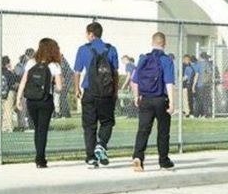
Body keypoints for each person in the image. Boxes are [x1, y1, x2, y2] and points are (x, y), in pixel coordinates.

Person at [73, 21, 120, 169]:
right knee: (107, 122)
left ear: (91, 34)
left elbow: (77, 72)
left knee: (89, 125)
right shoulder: (111, 49)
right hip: (106, 93)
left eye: (87, 33)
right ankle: (102, 144)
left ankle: (91, 157)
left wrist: (76, 89)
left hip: (90, 91)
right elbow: (115, 73)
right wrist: (115, 91)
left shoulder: (83, 49)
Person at [130, 32, 176, 171]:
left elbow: (134, 80)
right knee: (163, 131)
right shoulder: (167, 60)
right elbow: (169, 82)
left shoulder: (143, 58)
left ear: (152, 42)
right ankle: (163, 160)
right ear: (164, 43)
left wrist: (136, 96)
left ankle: (138, 156)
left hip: (145, 99)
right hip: (161, 100)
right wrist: (172, 103)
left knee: (143, 129)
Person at [16, 38, 63, 168]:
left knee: (37, 129)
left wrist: (18, 98)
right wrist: (53, 82)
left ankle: (39, 156)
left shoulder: (31, 62)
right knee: (43, 130)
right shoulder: (54, 65)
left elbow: (24, 81)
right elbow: (59, 87)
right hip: (45, 100)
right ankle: (40, 158)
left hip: (31, 100)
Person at [0, 55, 19, 132]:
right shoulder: (9, 72)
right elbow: (13, 83)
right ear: (7, 63)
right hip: (9, 93)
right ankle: (7, 126)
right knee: (8, 110)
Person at [14, 49, 35, 130]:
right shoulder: (20, 66)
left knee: (30, 107)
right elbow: (19, 75)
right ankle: (23, 124)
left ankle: (31, 124)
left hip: (30, 88)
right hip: (25, 88)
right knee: (24, 107)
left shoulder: (32, 63)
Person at [194, 52, 214, 117]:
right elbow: (211, 74)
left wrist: (193, 85)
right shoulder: (209, 64)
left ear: (200, 57)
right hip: (207, 84)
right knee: (206, 100)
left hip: (200, 84)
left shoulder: (199, 64)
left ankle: (197, 114)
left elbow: (196, 75)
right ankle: (206, 113)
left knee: (199, 99)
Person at [55, 54, 74, 118]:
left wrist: (63, 83)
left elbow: (65, 74)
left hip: (66, 81)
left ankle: (64, 113)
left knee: (63, 97)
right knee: (61, 98)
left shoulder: (63, 62)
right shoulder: (61, 62)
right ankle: (62, 113)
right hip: (63, 81)